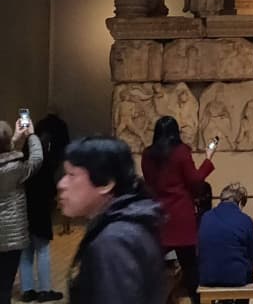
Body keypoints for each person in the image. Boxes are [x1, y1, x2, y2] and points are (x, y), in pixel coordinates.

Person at [58, 136, 165, 304]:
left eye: (72, 175)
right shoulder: (127, 223)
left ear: (105, 183)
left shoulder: (113, 241)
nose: (62, 184)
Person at [141, 116, 215, 304]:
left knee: (154, 268)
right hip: (181, 216)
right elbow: (195, 182)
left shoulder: (147, 155)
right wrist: (208, 159)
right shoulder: (181, 152)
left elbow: (149, 183)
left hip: (158, 215)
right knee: (190, 269)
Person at [0, 118, 43, 304]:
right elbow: (36, 160)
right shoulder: (16, 169)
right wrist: (31, 135)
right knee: (5, 285)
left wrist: (13, 140)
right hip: (12, 237)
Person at [19, 130, 63, 301]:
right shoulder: (45, 166)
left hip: (23, 213)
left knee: (26, 253)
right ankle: (44, 290)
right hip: (41, 213)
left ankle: (27, 290)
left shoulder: (20, 166)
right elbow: (51, 191)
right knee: (43, 251)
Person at [198, 182, 253, 296]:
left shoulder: (206, 217)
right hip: (236, 278)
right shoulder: (245, 220)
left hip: (207, 277)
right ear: (240, 203)